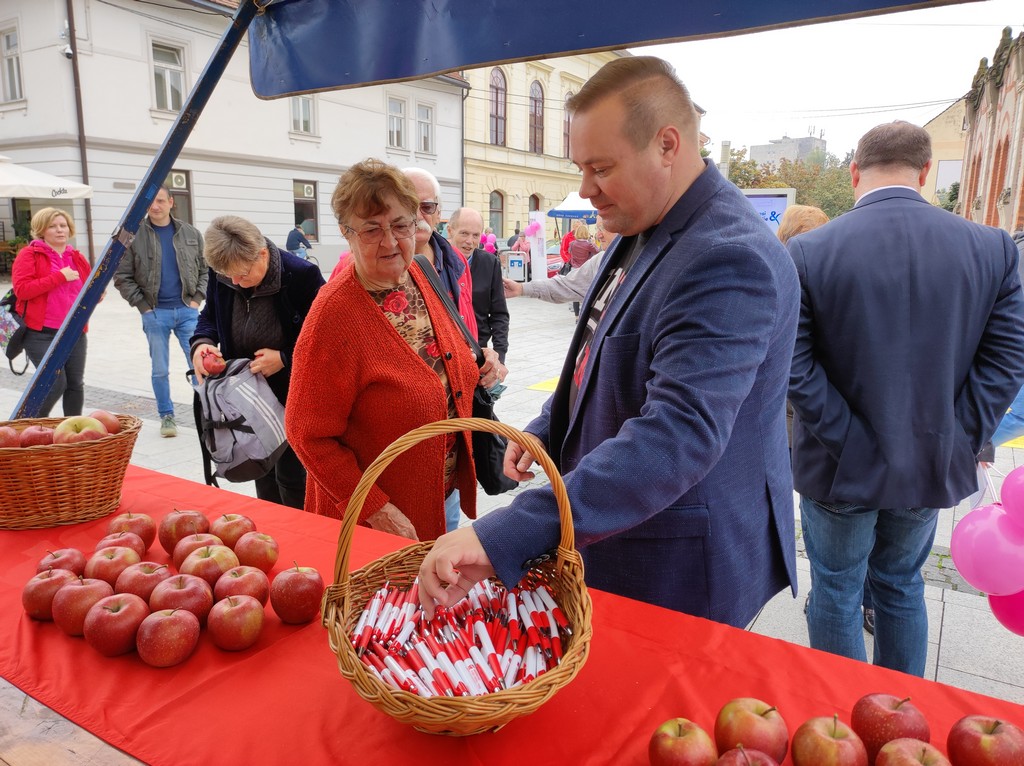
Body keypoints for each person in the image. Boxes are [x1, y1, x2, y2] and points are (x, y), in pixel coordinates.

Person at [418, 56, 800, 629]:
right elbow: (598, 348)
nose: (584, 188)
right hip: (624, 536)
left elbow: (677, 435)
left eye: (600, 167)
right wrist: (550, 427)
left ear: (667, 144)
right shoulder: (643, 222)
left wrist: (506, 531)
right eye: (580, 166)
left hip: (677, 564)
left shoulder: (726, 256)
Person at [787, 121, 1024, 677]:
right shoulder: (991, 248)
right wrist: (958, 436)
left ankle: (842, 730)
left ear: (853, 173)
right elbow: (1008, 359)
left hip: (837, 467)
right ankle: (903, 732)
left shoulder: (808, 251)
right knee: (899, 586)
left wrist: (849, 443)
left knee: (838, 591)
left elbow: (793, 365)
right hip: (930, 461)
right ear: (925, 173)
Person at [285, 159, 507, 539]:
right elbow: (306, 434)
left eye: (402, 225)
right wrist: (374, 507)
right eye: (372, 229)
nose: (390, 241)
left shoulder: (420, 273)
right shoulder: (333, 315)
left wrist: (479, 364)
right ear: (346, 232)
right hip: (374, 522)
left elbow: (443, 357)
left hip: (440, 496)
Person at [190, 215, 324, 509]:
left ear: (262, 254)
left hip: (290, 396)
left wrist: (285, 358)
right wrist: (203, 344)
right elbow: (209, 317)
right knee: (261, 470)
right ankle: (271, 534)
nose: (235, 282)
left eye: (243, 274)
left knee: (293, 477)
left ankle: (303, 538)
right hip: (246, 396)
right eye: (229, 277)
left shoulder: (302, 275)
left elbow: (326, 336)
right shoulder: (223, 274)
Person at [114, 186, 207, 438]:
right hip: (155, 314)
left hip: (188, 311)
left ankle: (207, 415)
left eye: (160, 201)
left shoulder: (191, 233)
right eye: (151, 203)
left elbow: (205, 269)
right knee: (159, 369)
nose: (155, 206)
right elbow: (122, 276)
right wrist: (143, 307)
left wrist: (197, 298)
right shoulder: (133, 236)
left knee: (198, 364)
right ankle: (167, 417)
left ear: (171, 202)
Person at [11, 208, 91, 417]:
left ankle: (73, 432)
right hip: (40, 333)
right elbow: (22, 290)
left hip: (74, 331)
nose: (59, 230)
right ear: (41, 230)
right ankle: (33, 426)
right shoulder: (29, 255)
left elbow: (89, 289)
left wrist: (96, 295)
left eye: (63, 225)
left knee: (75, 383)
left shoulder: (77, 257)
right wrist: (59, 277)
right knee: (55, 382)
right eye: (52, 226)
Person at [402, 167, 478, 340]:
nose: (417, 215)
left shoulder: (457, 260)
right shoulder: (365, 266)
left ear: (438, 214)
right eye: (408, 205)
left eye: (427, 207)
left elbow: (467, 323)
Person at [503, 215, 613, 304]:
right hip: (577, 268)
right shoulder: (601, 259)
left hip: (575, 267)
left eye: (603, 227)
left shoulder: (612, 260)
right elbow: (566, 285)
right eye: (597, 228)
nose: (598, 235)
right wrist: (521, 288)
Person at [450, 207, 510, 364]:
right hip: (446, 354)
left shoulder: (490, 263)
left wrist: (500, 358)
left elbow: (499, 314)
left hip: (478, 352)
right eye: (464, 233)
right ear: (450, 231)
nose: (470, 241)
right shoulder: (435, 262)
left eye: (475, 235)